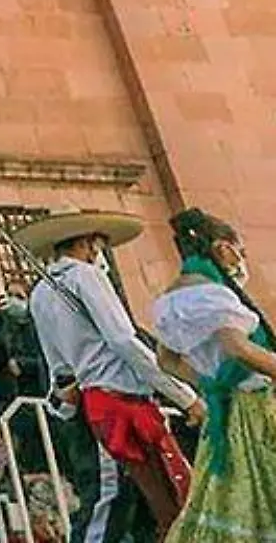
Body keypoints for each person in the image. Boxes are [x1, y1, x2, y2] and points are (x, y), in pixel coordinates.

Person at [19, 210, 205, 542]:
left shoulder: (40, 293)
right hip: (117, 401)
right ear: (88, 244)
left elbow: (57, 365)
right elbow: (124, 341)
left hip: (90, 401)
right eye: (99, 245)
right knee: (113, 497)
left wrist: (63, 403)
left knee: (150, 496)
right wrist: (184, 396)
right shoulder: (85, 277)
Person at [154, 208, 276, 542]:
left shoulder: (171, 299)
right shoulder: (213, 294)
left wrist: (213, 382)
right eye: (239, 250)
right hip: (257, 409)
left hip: (225, 412)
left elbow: (165, 359)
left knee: (227, 500)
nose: (241, 259)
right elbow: (237, 347)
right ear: (222, 248)